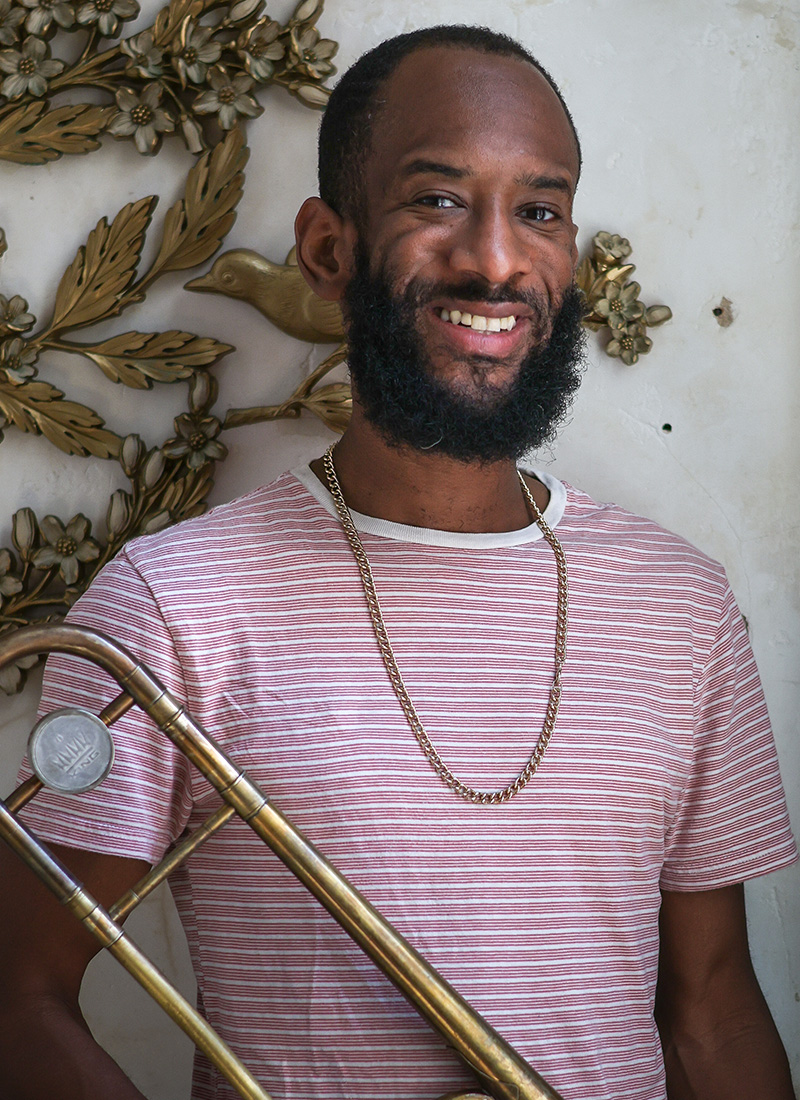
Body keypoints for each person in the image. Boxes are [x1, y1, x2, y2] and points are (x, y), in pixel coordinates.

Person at [0, 24, 796, 1100]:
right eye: (436, 200)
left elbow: (711, 1009)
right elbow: (17, 992)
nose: (496, 258)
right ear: (328, 249)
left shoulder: (681, 607)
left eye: (539, 209)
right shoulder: (169, 606)